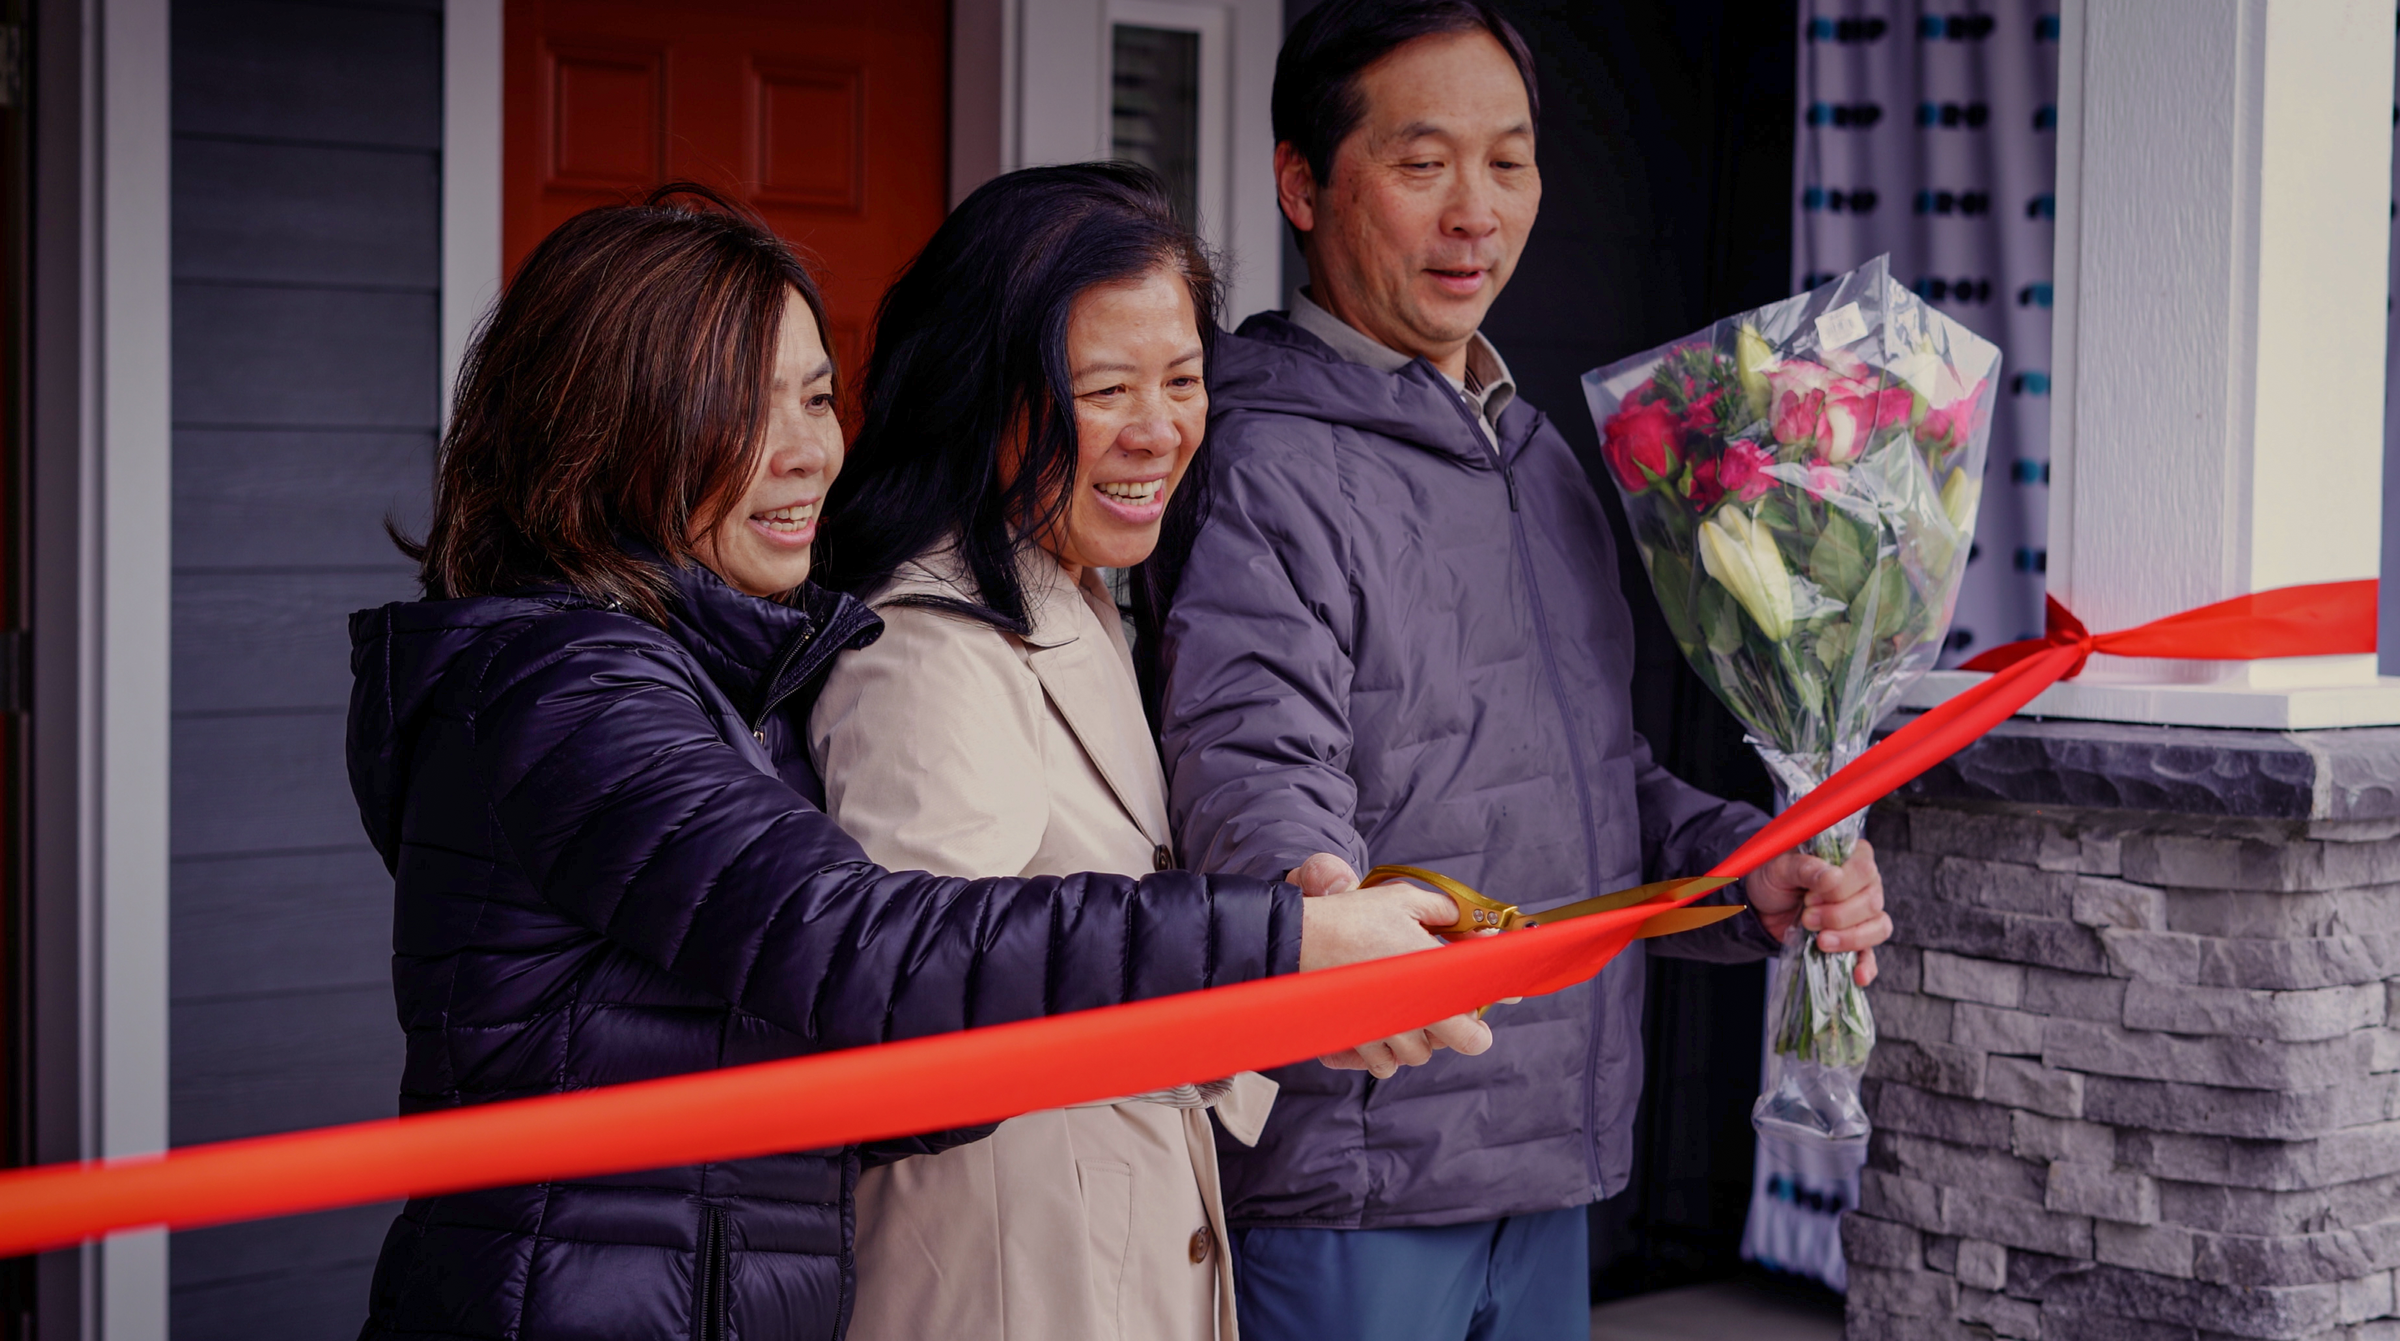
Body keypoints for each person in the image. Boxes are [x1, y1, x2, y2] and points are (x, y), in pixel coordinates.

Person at [344, 185, 1479, 1341]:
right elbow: (870, 949)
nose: (805, 455)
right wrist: (1279, 947)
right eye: (734, 412)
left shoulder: (718, 669)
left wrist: (1265, 1000)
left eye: (816, 398)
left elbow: (870, 1075)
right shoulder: (570, 694)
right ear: (606, 429)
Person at [1149, 6, 1899, 1340]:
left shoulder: (1537, 458)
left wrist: (1757, 868)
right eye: (1423, 162)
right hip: (1360, 1169)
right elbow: (1256, 771)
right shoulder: (1258, 460)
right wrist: (1312, 901)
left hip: (1550, 1151)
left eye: (1510, 162)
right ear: (1301, 184)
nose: (1475, 217)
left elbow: (1596, 783)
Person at [809, 162, 1485, 1341]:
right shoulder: (923, 649)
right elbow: (922, 992)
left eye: (1182, 380)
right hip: (1005, 1280)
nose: (1159, 429)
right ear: (986, 396)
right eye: (1105, 387)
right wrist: (1283, 952)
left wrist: (1308, 967)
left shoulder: (1087, 589)